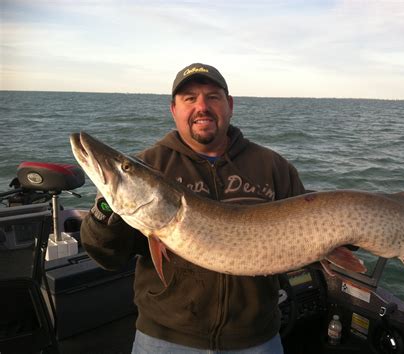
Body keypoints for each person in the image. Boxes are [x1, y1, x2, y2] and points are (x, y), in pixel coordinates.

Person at [80, 63, 306, 353]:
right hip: (165, 339)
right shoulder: (150, 165)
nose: (202, 106)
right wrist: (103, 207)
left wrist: (344, 237)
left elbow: (308, 241)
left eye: (213, 96)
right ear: (174, 109)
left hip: (256, 340)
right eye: (189, 98)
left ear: (230, 105)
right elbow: (108, 256)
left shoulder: (272, 166)